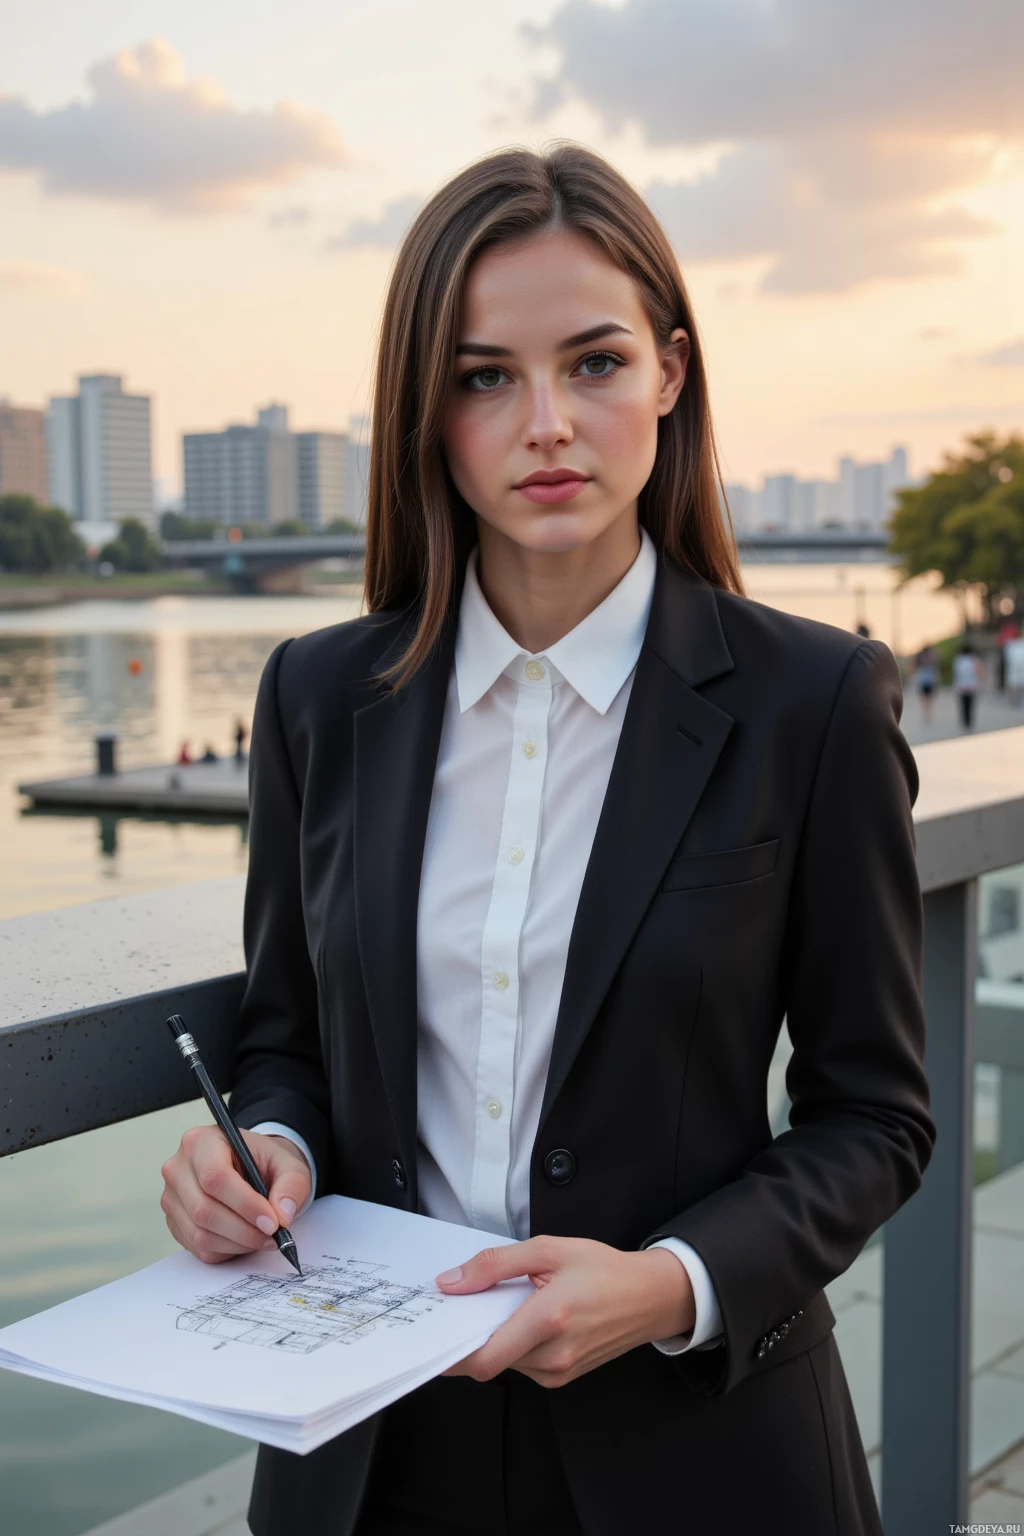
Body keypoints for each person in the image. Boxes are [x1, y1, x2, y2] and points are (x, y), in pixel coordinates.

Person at [159, 144, 934, 1536]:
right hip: (368, 1446)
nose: (548, 424)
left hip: (700, 1448)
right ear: (427, 410)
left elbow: (874, 1114)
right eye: (484, 377)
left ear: (671, 377)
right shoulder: (319, 698)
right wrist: (261, 1147)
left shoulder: (810, 701)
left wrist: (674, 1281)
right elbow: (286, 1034)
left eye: (594, 363)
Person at [952, 641, 983, 730]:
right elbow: (977, 671)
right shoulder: (973, 660)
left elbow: (956, 674)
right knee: (970, 705)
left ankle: (965, 721)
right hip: (971, 685)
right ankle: (969, 721)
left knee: (963, 705)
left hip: (961, 686)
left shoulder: (958, 660)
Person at [913, 642, 939, 725]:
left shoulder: (920, 657)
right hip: (929, 680)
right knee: (929, 699)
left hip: (923, 680)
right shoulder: (931, 657)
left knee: (924, 699)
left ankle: (926, 713)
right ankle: (928, 714)